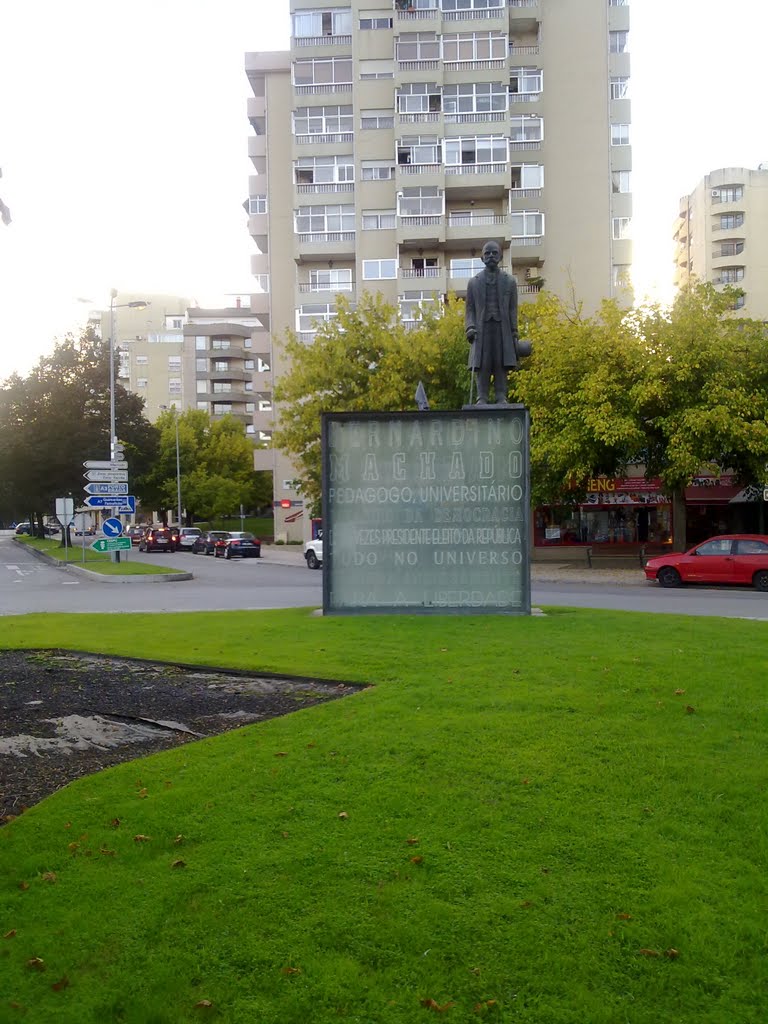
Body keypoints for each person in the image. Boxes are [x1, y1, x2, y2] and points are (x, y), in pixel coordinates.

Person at [465, 240, 520, 405]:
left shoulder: (510, 281)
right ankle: (481, 396)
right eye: (487, 253)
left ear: (500, 256)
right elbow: (470, 309)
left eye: (494, 253)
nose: (490, 256)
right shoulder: (473, 282)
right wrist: (470, 327)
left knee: (500, 362)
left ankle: (501, 396)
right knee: (483, 362)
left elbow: (512, 309)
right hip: (481, 329)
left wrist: (514, 331)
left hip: (502, 329)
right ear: (481, 258)